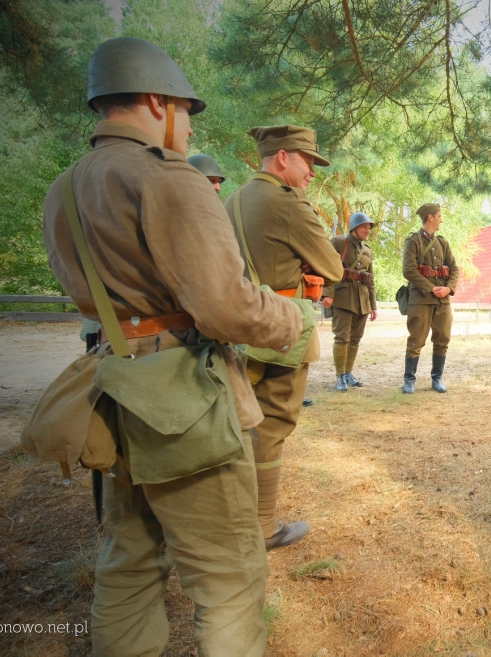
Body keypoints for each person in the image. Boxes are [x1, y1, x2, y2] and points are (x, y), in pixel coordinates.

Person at [42, 36, 302, 655]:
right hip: (184, 399)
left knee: (130, 559)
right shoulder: (169, 179)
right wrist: (290, 319)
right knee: (230, 578)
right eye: (186, 112)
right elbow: (226, 305)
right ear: (159, 102)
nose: (186, 128)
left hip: (115, 387)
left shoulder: (66, 187)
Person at [224, 124, 343, 551]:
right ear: (282, 158)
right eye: (308, 161)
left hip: (235, 329)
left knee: (233, 423)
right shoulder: (289, 203)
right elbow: (333, 268)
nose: (311, 172)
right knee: (272, 424)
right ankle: (262, 526)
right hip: (280, 330)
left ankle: (228, 517)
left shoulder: (231, 200)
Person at [401, 203, 459, 394]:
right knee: (416, 340)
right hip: (420, 299)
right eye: (439, 216)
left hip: (443, 300)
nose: (441, 219)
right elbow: (408, 270)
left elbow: (454, 268)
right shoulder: (413, 241)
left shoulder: (443, 243)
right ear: (431, 218)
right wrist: (431, 288)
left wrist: (448, 288)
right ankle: (409, 380)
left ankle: (437, 379)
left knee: (443, 338)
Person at [323, 211, 377, 391]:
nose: (368, 230)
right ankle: (340, 376)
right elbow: (328, 268)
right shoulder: (338, 242)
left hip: (362, 300)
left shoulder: (367, 250)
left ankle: (348, 372)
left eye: (369, 227)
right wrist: (328, 293)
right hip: (343, 297)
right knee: (342, 337)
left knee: (355, 339)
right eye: (364, 227)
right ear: (354, 227)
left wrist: (373, 305)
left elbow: (370, 278)